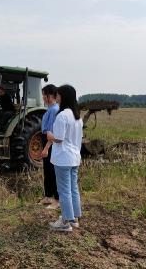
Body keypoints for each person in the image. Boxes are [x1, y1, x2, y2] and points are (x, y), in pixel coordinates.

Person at [47, 85, 83, 232]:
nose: (57, 97)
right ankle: (74, 219)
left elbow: (59, 138)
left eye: (58, 95)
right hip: (74, 157)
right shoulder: (77, 117)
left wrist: (50, 136)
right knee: (73, 189)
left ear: (64, 97)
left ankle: (65, 222)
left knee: (64, 190)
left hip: (63, 158)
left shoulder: (62, 116)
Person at [39, 84, 59, 209]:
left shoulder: (54, 110)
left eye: (44, 95)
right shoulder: (50, 109)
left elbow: (52, 132)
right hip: (45, 139)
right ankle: (47, 197)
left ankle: (56, 199)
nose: (43, 98)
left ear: (50, 95)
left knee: (52, 171)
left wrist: (46, 148)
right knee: (47, 170)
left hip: (50, 142)